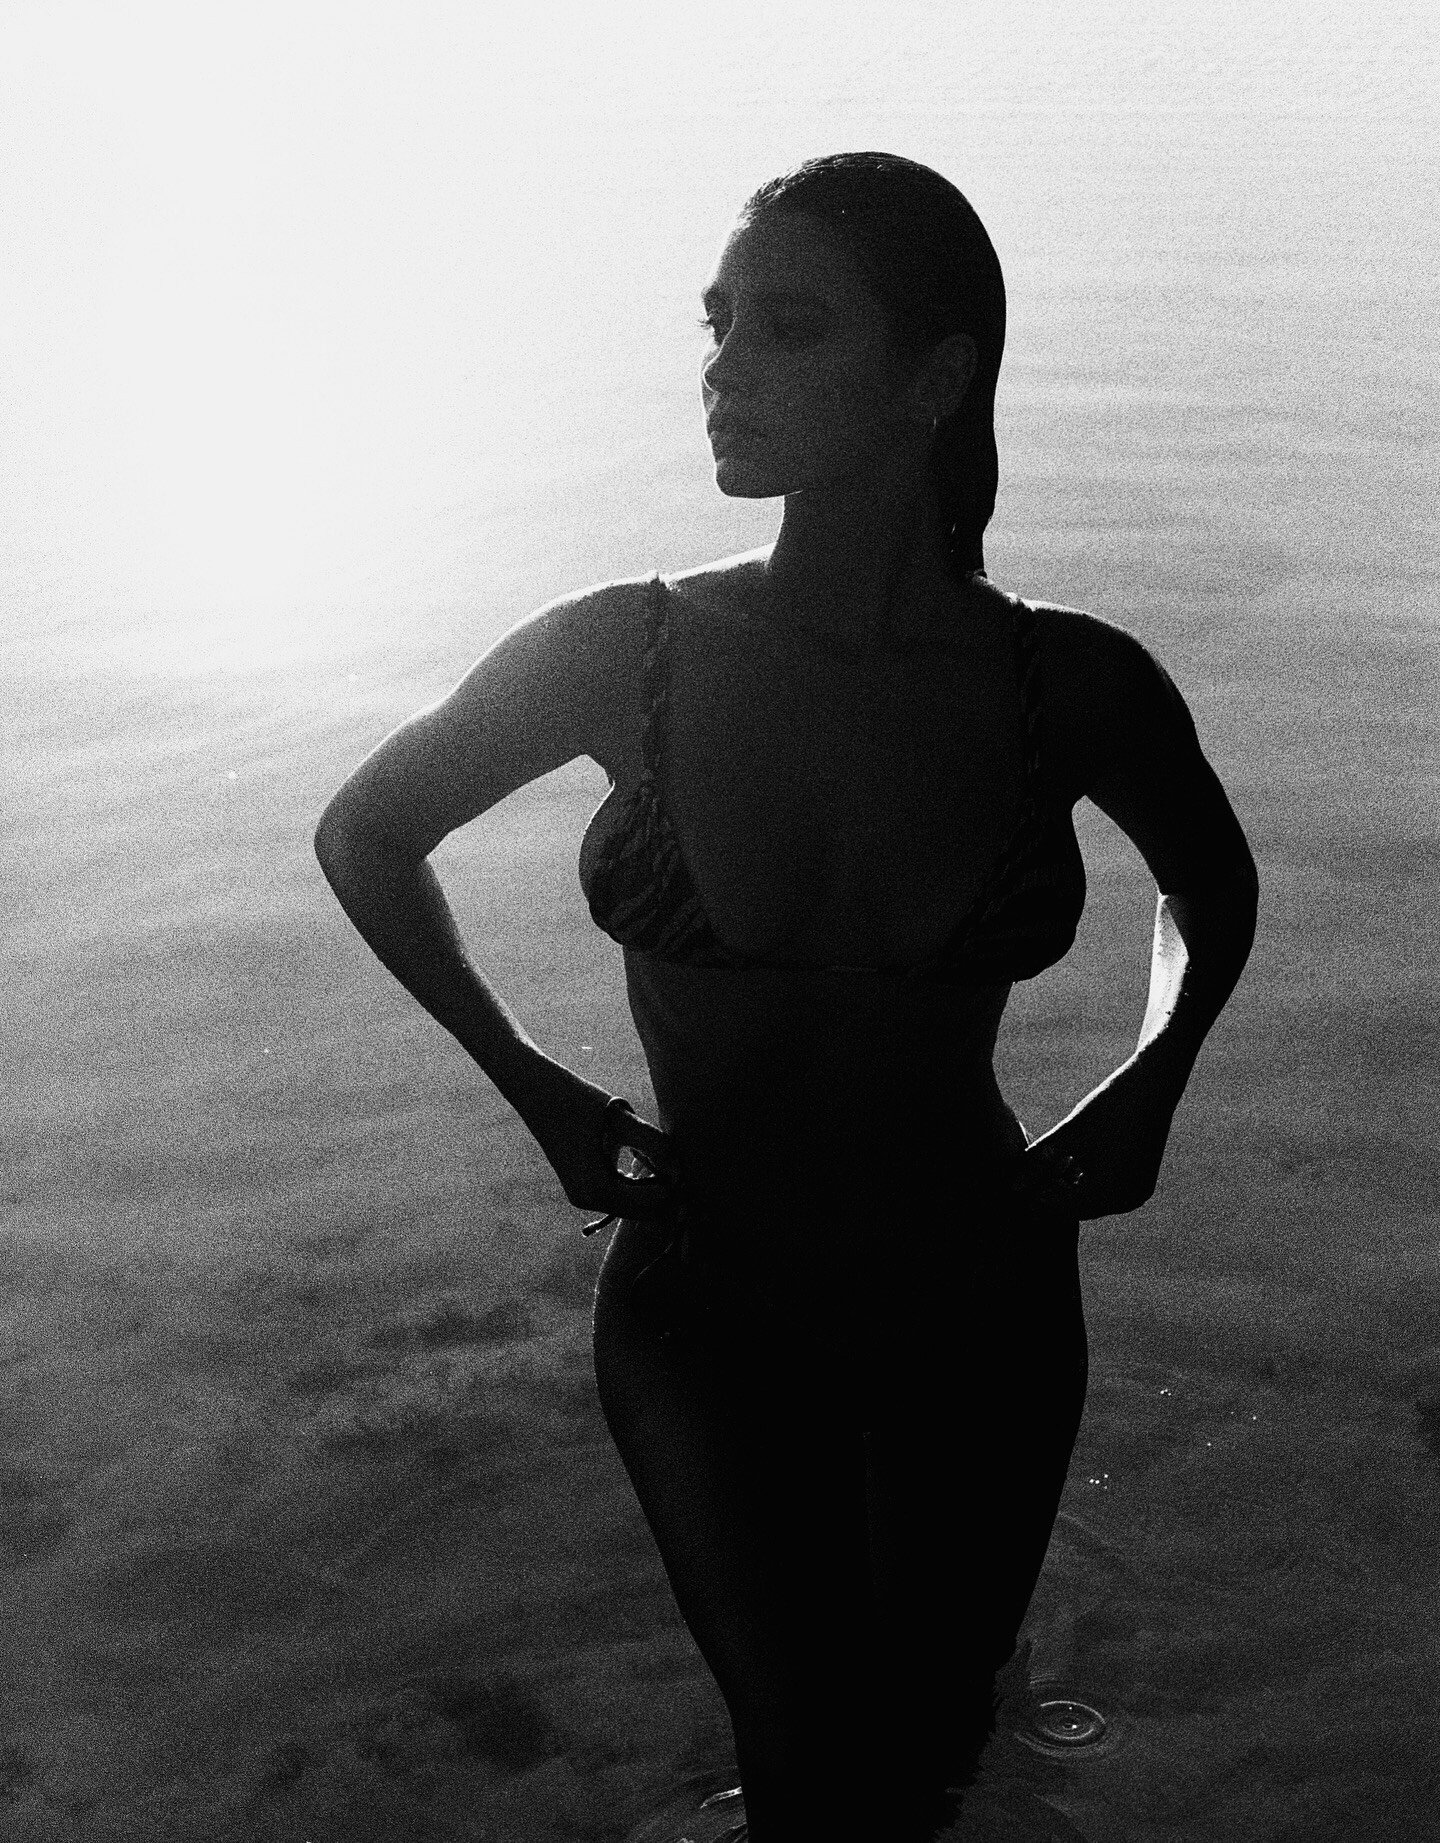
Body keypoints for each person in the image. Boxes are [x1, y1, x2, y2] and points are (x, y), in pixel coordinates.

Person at [314, 152, 1259, 1843]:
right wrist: (541, 1091)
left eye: (789, 325)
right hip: (713, 1294)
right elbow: (369, 832)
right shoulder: (621, 651)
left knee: (935, 1743)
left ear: (936, 375)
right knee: (812, 1765)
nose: (725, 368)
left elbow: (1213, 886)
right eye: (718, 324)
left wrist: (1155, 1078)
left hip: (976, 1281)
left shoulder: (1071, 682)